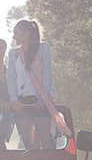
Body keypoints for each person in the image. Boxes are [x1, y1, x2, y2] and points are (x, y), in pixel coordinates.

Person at [7, 19, 56, 149]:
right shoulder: (13, 53)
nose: (13, 37)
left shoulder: (43, 48)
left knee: (44, 143)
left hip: (39, 101)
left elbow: (46, 74)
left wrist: (42, 99)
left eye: (16, 33)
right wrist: (14, 100)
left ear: (27, 33)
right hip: (22, 103)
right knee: (29, 145)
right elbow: (11, 78)